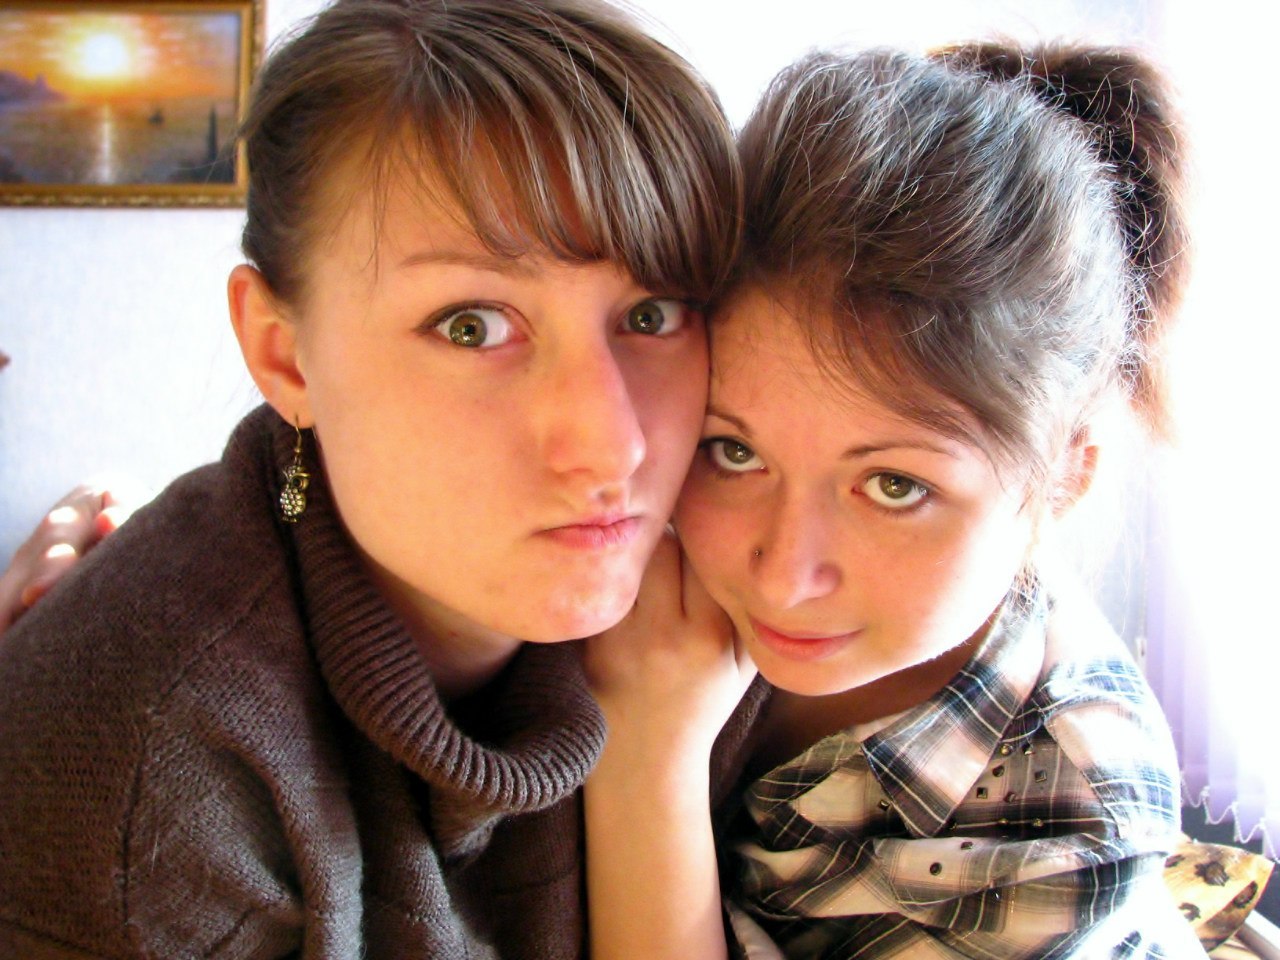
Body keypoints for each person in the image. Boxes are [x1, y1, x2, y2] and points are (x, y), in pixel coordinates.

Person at [0, 0, 766, 956]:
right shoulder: (143, 782)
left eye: (653, 313)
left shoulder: (739, 600)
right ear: (282, 353)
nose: (614, 450)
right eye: (471, 326)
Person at [585, 43, 1201, 958]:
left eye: (894, 487)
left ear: (1064, 477)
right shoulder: (615, 539)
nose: (785, 576)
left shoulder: (1065, 831)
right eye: (735, 451)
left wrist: (648, 755)